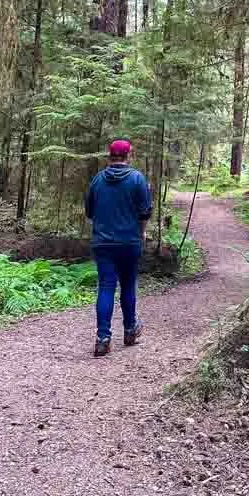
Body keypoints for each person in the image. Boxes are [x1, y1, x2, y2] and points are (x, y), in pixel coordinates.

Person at [84, 138, 152, 357]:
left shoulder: (98, 180)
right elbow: (145, 211)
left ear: (109, 156)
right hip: (129, 242)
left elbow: (89, 211)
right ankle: (130, 330)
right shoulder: (137, 179)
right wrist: (142, 231)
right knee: (128, 286)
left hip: (103, 243)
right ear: (128, 156)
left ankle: (103, 339)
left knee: (105, 288)